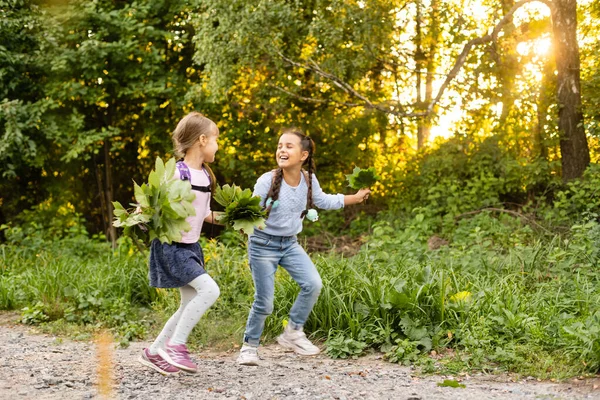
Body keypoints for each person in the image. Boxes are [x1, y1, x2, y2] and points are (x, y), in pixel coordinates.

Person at [237, 127, 371, 366]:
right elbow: (250, 210)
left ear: (303, 156)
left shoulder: (308, 180)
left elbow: (325, 200)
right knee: (264, 301)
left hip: (289, 244)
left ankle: (293, 333)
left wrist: (356, 197)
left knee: (313, 284)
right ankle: (249, 346)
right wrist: (244, 219)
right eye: (280, 146)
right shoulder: (267, 180)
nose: (282, 150)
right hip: (262, 245)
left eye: (289, 146)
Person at [138, 112, 222, 375]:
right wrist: (142, 213)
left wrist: (239, 217)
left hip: (191, 247)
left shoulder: (206, 176)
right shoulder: (176, 172)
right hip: (172, 247)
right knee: (210, 291)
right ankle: (176, 346)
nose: (218, 146)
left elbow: (206, 213)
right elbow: (149, 204)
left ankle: (154, 352)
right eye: (216, 140)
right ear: (202, 140)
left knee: (189, 302)